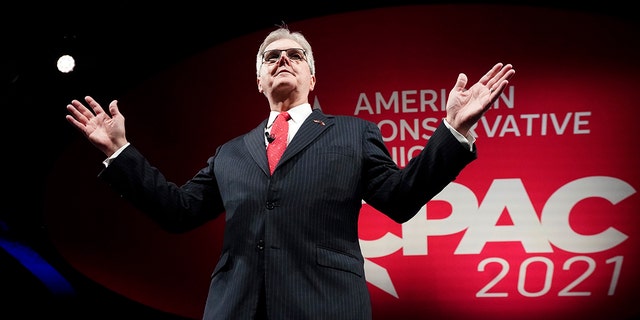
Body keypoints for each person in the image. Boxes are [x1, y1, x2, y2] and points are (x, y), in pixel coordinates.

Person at [65, 26, 515, 320]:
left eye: (295, 55)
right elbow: (178, 212)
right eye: (271, 56)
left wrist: (454, 130)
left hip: (325, 305)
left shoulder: (354, 134)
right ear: (258, 80)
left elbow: (400, 198)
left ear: (313, 77)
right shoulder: (230, 153)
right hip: (235, 309)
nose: (283, 59)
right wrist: (120, 152)